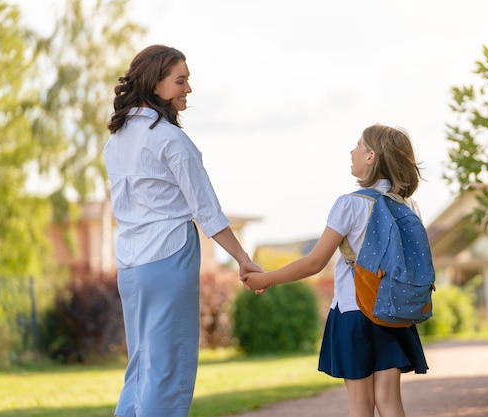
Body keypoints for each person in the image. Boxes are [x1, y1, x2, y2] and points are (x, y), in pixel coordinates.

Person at [104, 44, 261, 417]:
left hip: (129, 265)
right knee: (169, 371)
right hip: (169, 257)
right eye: (181, 80)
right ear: (156, 85)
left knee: (140, 369)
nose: (188, 89)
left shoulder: (117, 141)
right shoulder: (172, 140)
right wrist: (242, 259)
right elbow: (207, 211)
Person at [243, 124, 428, 417]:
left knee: (360, 402)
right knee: (390, 400)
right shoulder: (409, 206)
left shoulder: (350, 204)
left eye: (358, 145)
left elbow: (314, 262)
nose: (352, 151)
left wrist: (265, 278)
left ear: (371, 156)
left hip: (354, 310)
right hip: (394, 312)